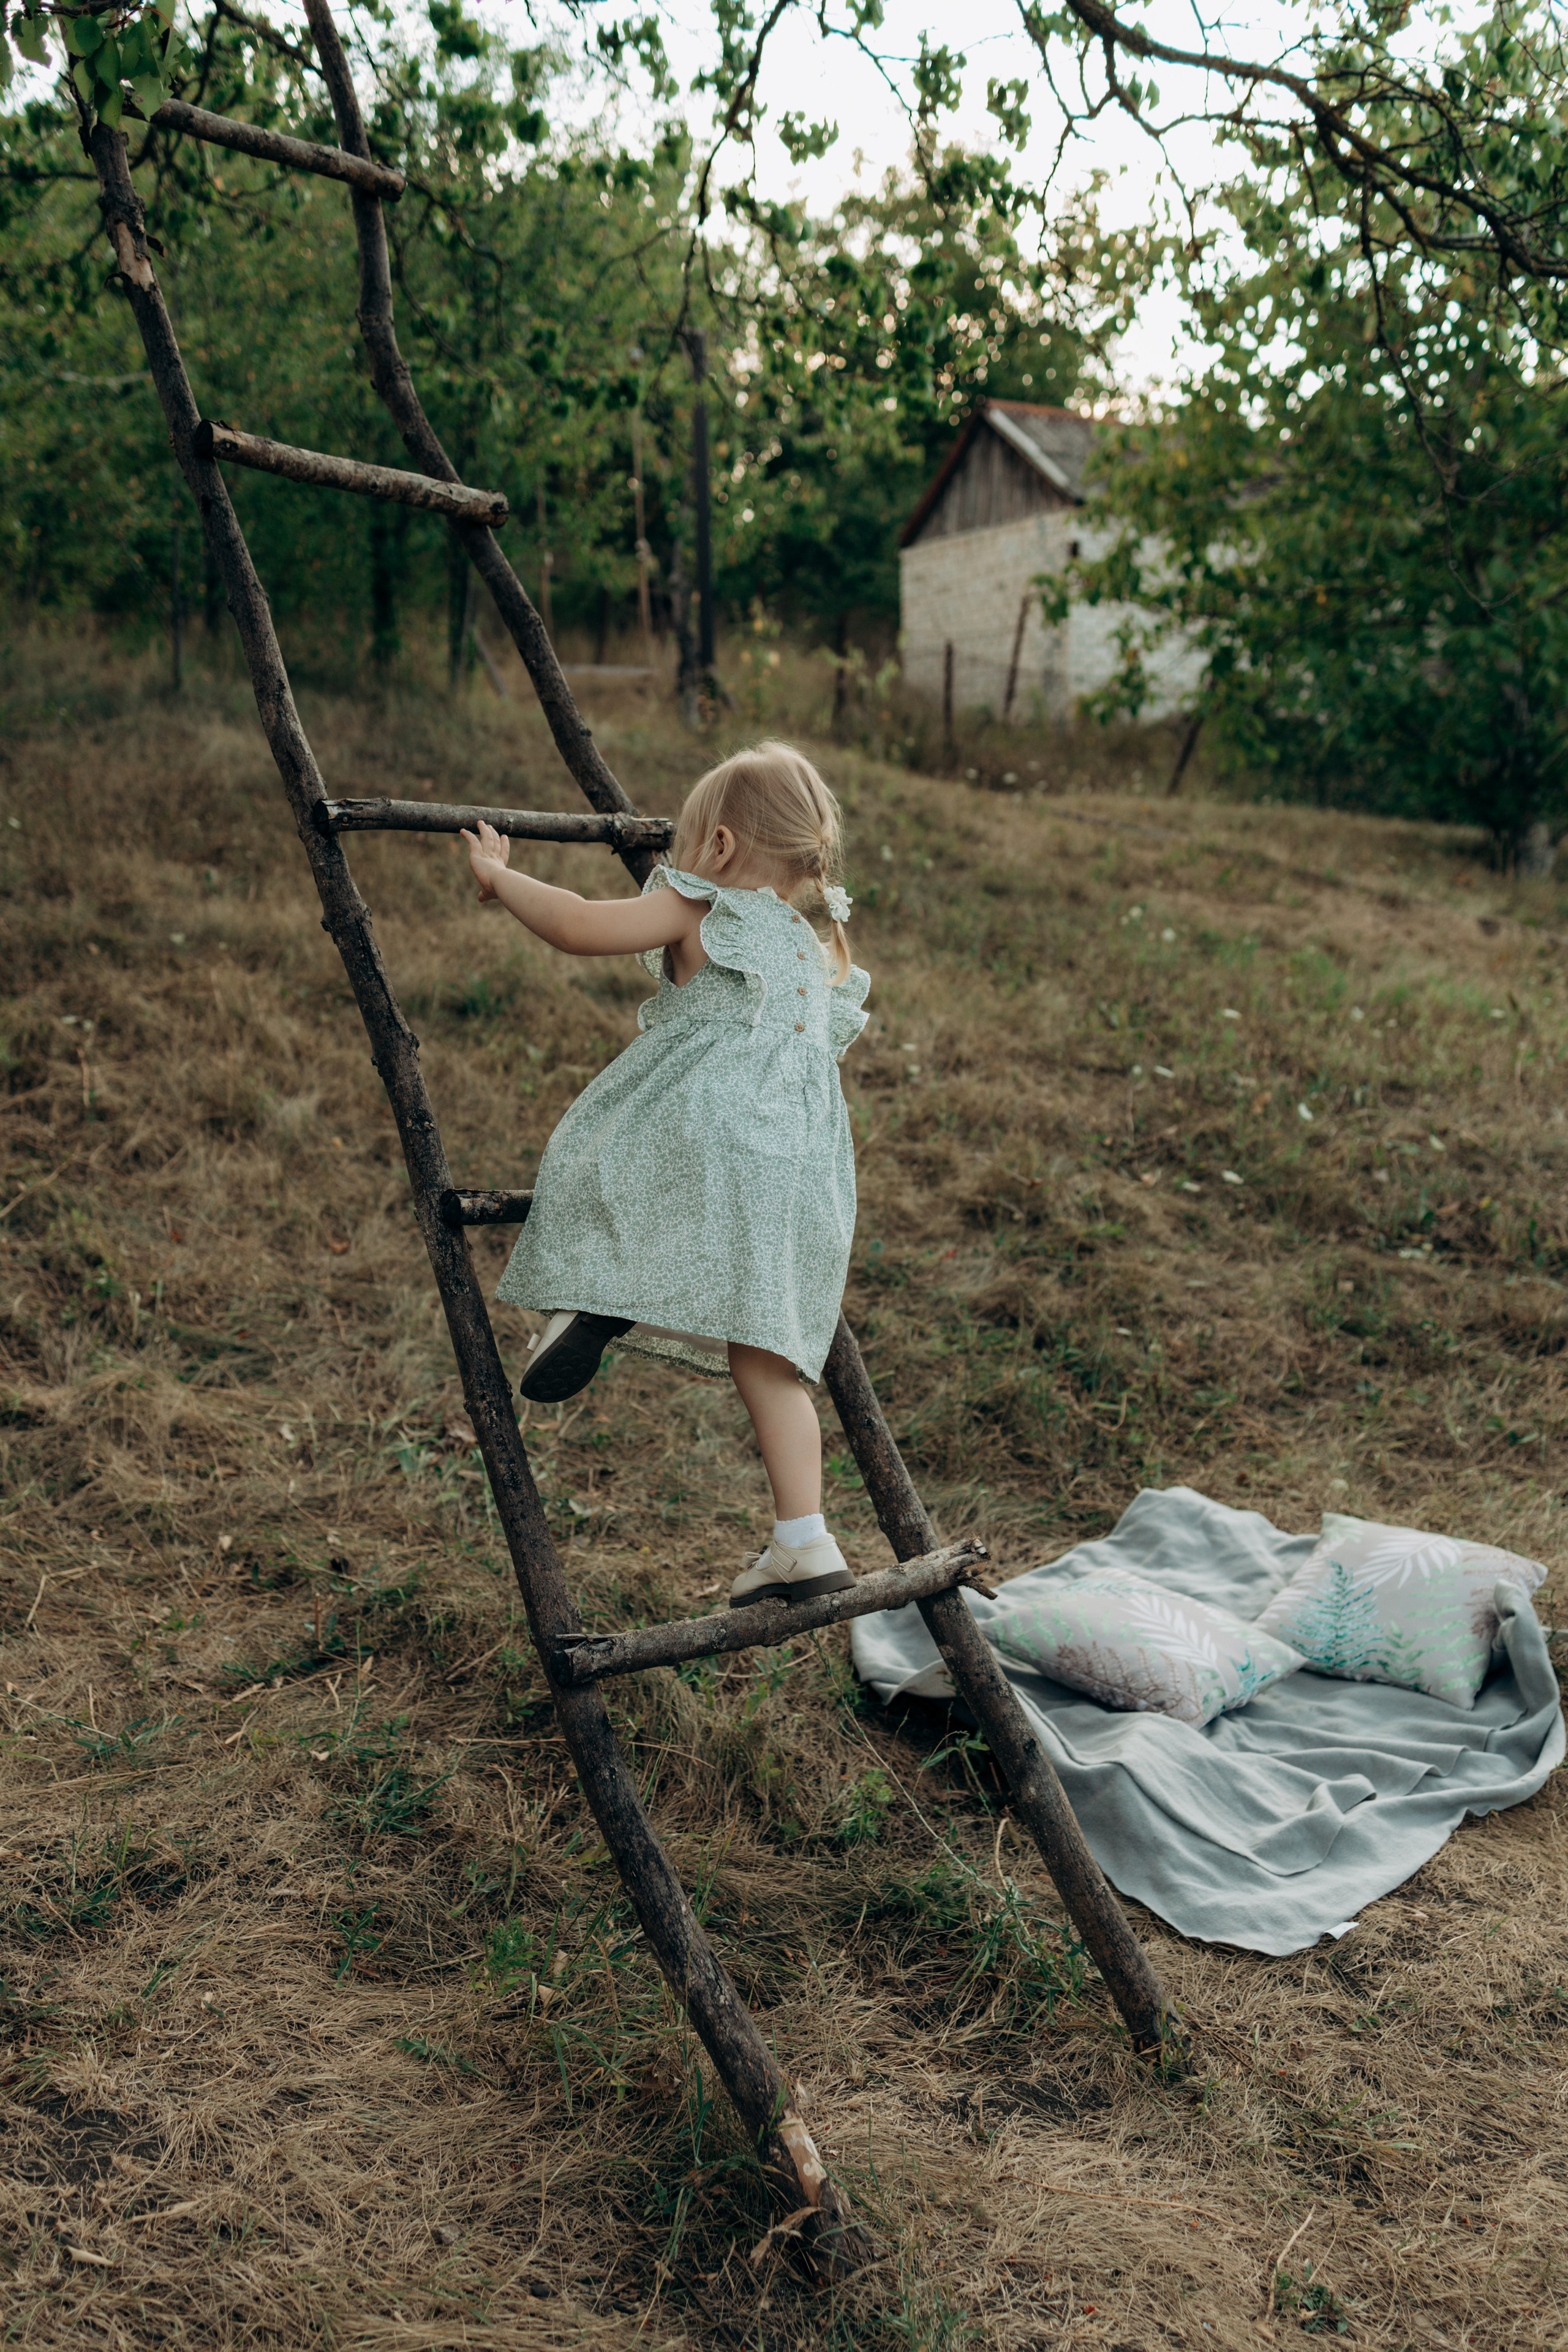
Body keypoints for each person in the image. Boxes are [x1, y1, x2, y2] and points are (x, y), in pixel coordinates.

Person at [460, 742, 870, 1610]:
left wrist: (502, 880)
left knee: (600, 1162)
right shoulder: (810, 943)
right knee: (772, 1358)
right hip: (802, 1163)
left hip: (706, 1113)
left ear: (717, 847)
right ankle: (806, 1539)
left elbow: (579, 923)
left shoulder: (700, 901)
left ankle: (597, 1295)